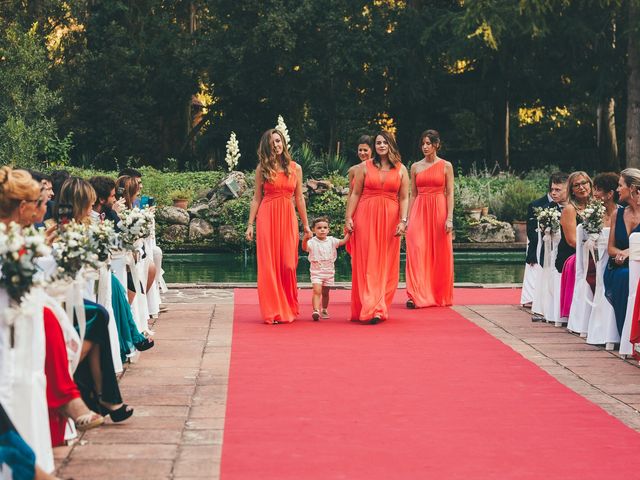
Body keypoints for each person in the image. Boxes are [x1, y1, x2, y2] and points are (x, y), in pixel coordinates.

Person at [56, 177, 134, 422]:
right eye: (88, 205)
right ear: (79, 204)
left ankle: (102, 397)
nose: (92, 210)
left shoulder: (82, 226)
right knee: (98, 315)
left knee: (100, 312)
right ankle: (71, 380)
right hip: (59, 300)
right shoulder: (60, 229)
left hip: (72, 296)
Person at [245, 128, 311, 324]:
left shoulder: (295, 168)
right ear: (267, 146)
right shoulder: (262, 169)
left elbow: (299, 198)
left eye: (279, 141)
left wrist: (306, 225)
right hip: (267, 216)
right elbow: (257, 198)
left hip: (287, 215)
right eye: (273, 142)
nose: (277, 145)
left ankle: (288, 306)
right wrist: (250, 224)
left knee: (289, 264)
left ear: (284, 143)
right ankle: (273, 310)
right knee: (269, 265)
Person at [345, 130, 409, 324]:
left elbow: (404, 197)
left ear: (391, 145)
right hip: (365, 216)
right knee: (367, 261)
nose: (381, 146)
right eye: (378, 143)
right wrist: (348, 217)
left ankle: (379, 306)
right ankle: (370, 306)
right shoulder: (364, 167)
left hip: (390, 220)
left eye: (385, 143)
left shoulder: (401, 169)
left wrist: (403, 221)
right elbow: (355, 194)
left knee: (386, 263)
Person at [89, 176, 154, 360]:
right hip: (98, 270)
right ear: (101, 199)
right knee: (118, 286)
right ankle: (132, 338)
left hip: (110, 265)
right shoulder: (90, 220)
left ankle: (132, 337)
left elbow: (121, 234)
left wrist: (133, 229)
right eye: (111, 196)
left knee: (119, 286)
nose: (114, 199)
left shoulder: (109, 213)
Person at [405, 129, 454, 308]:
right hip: (419, 208)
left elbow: (450, 193)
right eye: (423, 144)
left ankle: (436, 293)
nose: (425, 147)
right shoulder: (415, 167)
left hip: (439, 208)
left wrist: (450, 218)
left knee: (439, 252)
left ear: (436, 145)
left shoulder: (446, 166)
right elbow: (412, 194)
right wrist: (407, 219)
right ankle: (416, 294)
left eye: (428, 144)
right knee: (416, 248)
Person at [521, 172, 568, 307]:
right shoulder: (546, 209)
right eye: (552, 189)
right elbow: (534, 234)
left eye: (557, 190)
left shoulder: (577, 207)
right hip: (550, 252)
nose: (553, 193)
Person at [604, 168, 640, 336]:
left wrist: (628, 251)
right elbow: (610, 248)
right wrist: (621, 254)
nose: (617, 189)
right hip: (618, 267)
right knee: (623, 276)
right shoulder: (617, 214)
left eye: (620, 185)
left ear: (632, 188)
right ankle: (626, 333)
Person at [557, 171, 593, 319]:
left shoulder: (597, 206)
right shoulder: (569, 210)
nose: (581, 187)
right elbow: (572, 241)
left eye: (584, 183)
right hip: (572, 254)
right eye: (576, 185)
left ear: (590, 185)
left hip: (592, 251)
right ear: (571, 190)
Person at [302, 216, 350, 320]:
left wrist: (349, 233)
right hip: (316, 271)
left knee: (325, 292)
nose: (322, 230)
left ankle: (324, 309)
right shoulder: (312, 241)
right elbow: (304, 247)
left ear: (328, 229)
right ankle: (315, 310)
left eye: (324, 227)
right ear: (314, 230)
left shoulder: (332, 240)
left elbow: (343, 241)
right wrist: (305, 238)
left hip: (329, 271)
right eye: (319, 228)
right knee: (317, 290)